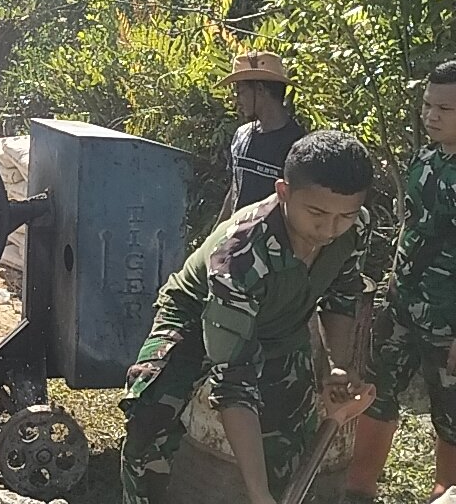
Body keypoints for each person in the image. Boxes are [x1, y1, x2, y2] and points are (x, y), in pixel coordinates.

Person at [120, 130, 373, 504]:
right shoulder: (239, 256)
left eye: (344, 216)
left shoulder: (356, 228)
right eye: (317, 213)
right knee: (150, 435)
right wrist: (258, 494)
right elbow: (233, 380)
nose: (330, 229)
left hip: (280, 326)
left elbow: (342, 294)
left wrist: (336, 366)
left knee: (286, 447)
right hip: (195, 320)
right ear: (283, 192)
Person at [346, 60, 456, 503]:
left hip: (448, 319)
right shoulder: (425, 158)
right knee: (376, 393)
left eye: (445, 108)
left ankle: (445, 493)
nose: (431, 115)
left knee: (451, 416)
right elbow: (411, 226)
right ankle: (358, 487)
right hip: (403, 304)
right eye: (427, 105)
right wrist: (391, 284)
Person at [217, 51, 306, 224]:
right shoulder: (242, 135)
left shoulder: (298, 146)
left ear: (260, 89)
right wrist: (217, 234)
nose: (237, 100)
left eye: (240, 91)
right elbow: (235, 188)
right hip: (236, 236)